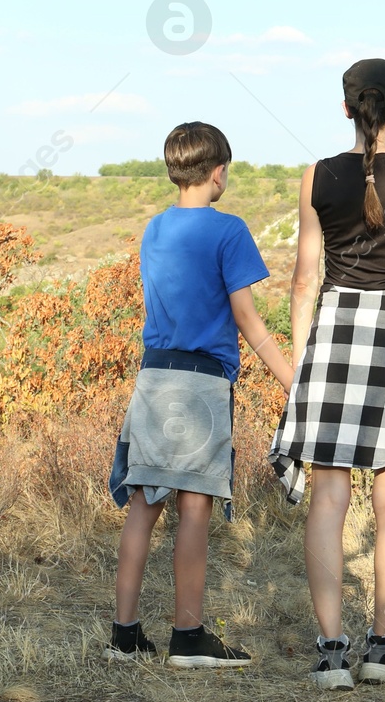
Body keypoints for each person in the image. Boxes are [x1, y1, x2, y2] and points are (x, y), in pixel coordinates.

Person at [268, 58, 385, 691]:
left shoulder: (316, 175)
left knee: (327, 499)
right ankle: (380, 647)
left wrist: (299, 363)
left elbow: (304, 278)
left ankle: (328, 654)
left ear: (347, 109)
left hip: (335, 333)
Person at [107, 121, 294, 668]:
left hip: (153, 376)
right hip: (201, 381)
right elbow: (248, 322)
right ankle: (187, 637)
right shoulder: (229, 230)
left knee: (142, 502)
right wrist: (294, 382)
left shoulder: (154, 229)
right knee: (194, 507)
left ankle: (125, 635)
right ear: (218, 172)